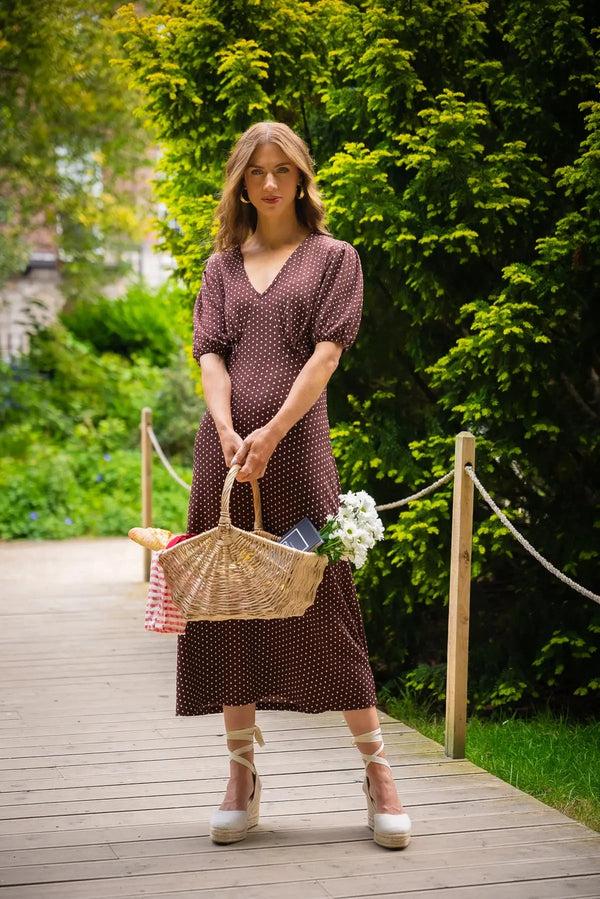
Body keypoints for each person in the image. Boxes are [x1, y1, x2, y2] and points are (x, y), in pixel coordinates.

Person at [177, 120, 411, 850]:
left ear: (302, 176)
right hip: (225, 460)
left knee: (324, 600)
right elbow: (211, 357)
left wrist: (272, 432)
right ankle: (241, 777)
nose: (270, 183)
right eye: (256, 172)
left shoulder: (335, 259)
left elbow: (326, 356)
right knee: (229, 605)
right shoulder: (222, 267)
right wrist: (226, 430)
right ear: (241, 184)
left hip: (298, 451)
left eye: (282, 169)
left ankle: (378, 773)